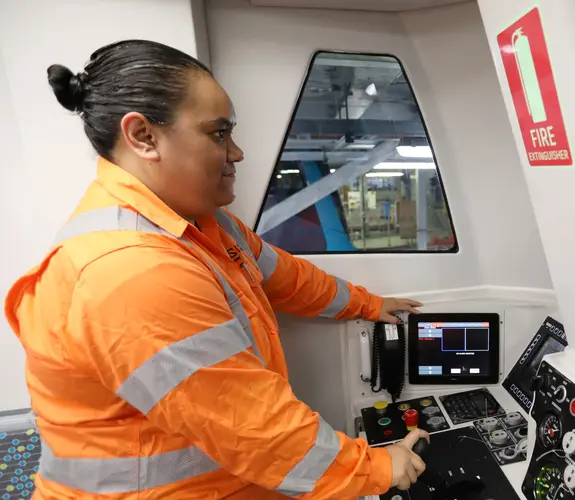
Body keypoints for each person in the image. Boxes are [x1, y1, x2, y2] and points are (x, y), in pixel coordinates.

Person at [4, 39, 428, 499]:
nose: (237, 152)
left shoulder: (202, 223)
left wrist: (367, 303)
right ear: (143, 136)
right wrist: (378, 468)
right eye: (217, 134)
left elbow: (285, 277)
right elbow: (252, 427)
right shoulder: (130, 273)